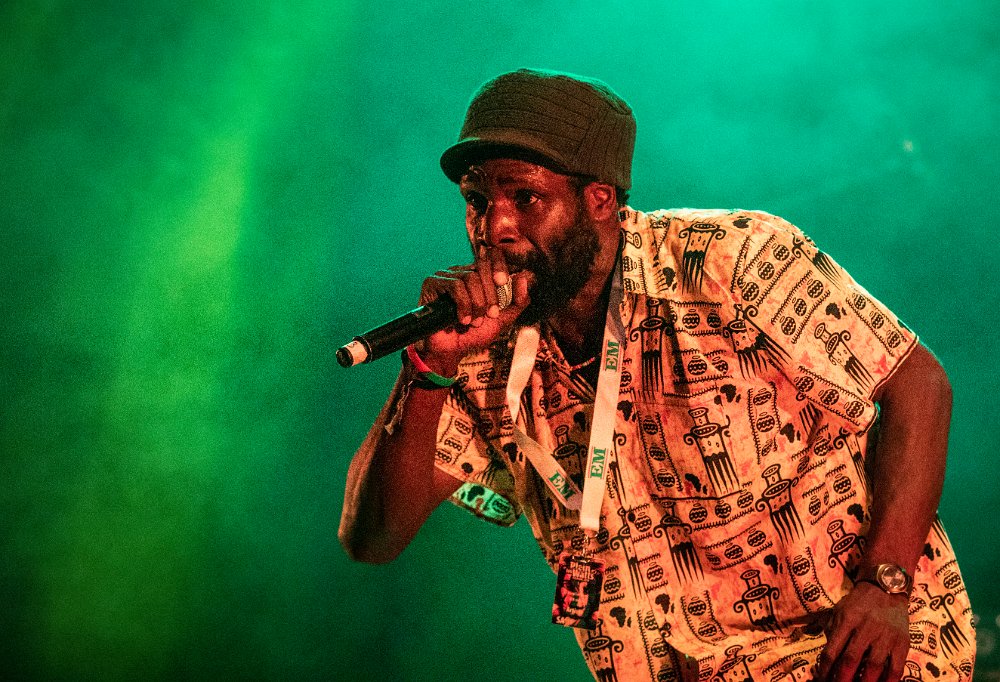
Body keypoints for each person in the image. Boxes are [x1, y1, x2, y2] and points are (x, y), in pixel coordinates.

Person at [339, 69, 976, 681]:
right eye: (477, 202)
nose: (494, 228)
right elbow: (373, 538)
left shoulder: (731, 260)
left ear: (600, 199)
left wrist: (886, 582)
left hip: (853, 650)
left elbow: (917, 383)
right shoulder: (479, 350)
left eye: (525, 198)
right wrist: (430, 368)